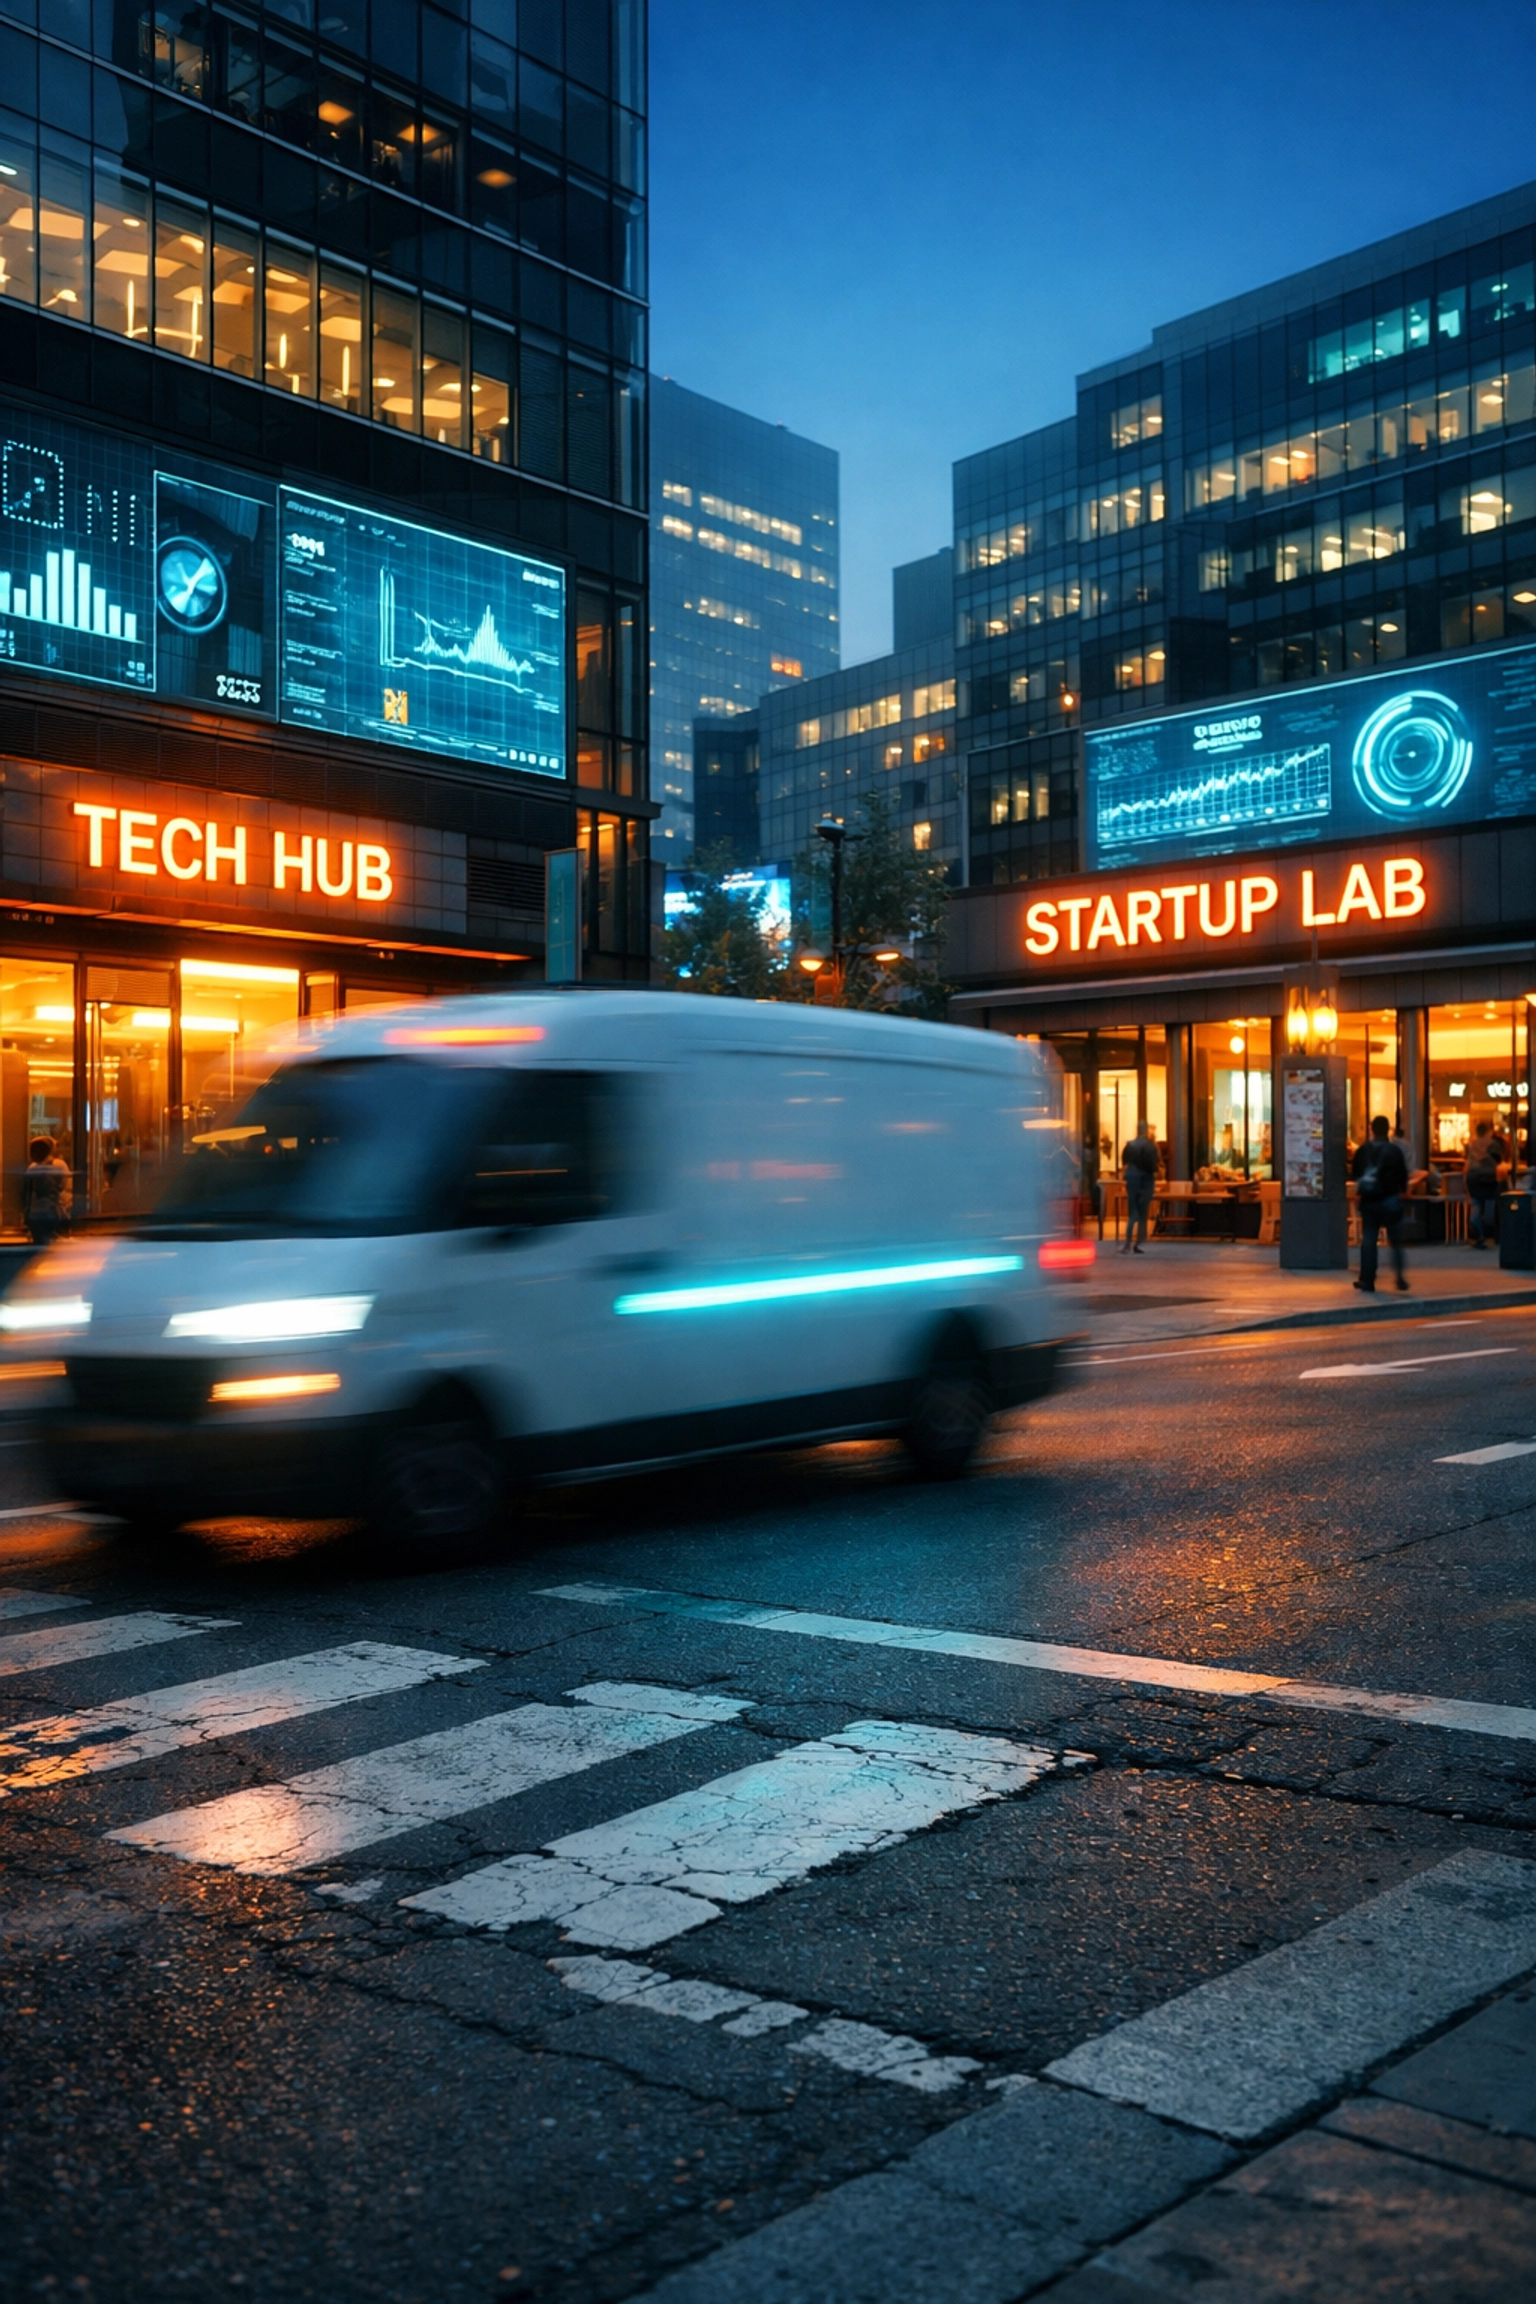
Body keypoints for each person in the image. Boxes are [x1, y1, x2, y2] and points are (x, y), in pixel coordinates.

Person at [1352, 1114, 1409, 1293]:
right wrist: (1401, 1190)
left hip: (1369, 1201)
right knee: (1396, 1241)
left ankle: (1368, 1280)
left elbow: (1355, 1174)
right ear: (1388, 1129)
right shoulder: (1394, 1151)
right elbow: (1403, 1175)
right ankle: (1399, 1277)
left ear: (1371, 1129)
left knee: (1369, 1241)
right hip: (1390, 1200)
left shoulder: (1362, 1151)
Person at [21, 1135, 71, 1248]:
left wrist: (25, 1215)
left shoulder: (31, 1168)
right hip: (53, 1212)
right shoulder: (59, 1166)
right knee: (54, 1246)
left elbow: (27, 1194)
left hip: (34, 1215)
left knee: (39, 1246)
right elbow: (64, 1187)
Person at [1121, 1126, 1159, 1255]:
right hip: (1146, 1181)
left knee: (1132, 1214)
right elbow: (1155, 1164)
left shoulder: (1130, 1145)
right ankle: (1138, 1243)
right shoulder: (1150, 1146)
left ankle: (1127, 1244)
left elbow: (1124, 1161)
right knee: (1143, 1214)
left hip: (1132, 1179)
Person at [1465, 1120, 1502, 1249]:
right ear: (1488, 1131)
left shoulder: (1471, 1145)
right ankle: (1488, 1230)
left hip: (1473, 1179)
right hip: (1489, 1179)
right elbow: (1499, 1161)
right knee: (1490, 1206)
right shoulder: (1493, 1144)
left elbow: (1468, 1164)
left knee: (1476, 1205)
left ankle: (1478, 1231)